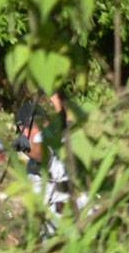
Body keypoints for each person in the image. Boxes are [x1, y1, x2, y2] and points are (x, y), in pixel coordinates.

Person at [12, 96, 86, 237]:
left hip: (69, 220)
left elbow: (42, 153)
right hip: (50, 229)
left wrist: (25, 146)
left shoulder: (48, 139)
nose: (25, 133)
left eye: (29, 128)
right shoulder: (30, 165)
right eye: (23, 129)